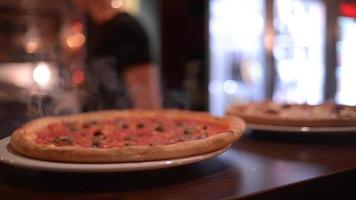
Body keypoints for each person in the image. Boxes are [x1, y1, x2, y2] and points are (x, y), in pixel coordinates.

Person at [72, 0, 161, 110]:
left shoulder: (127, 29)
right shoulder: (89, 28)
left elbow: (148, 103)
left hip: (122, 123)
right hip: (96, 121)